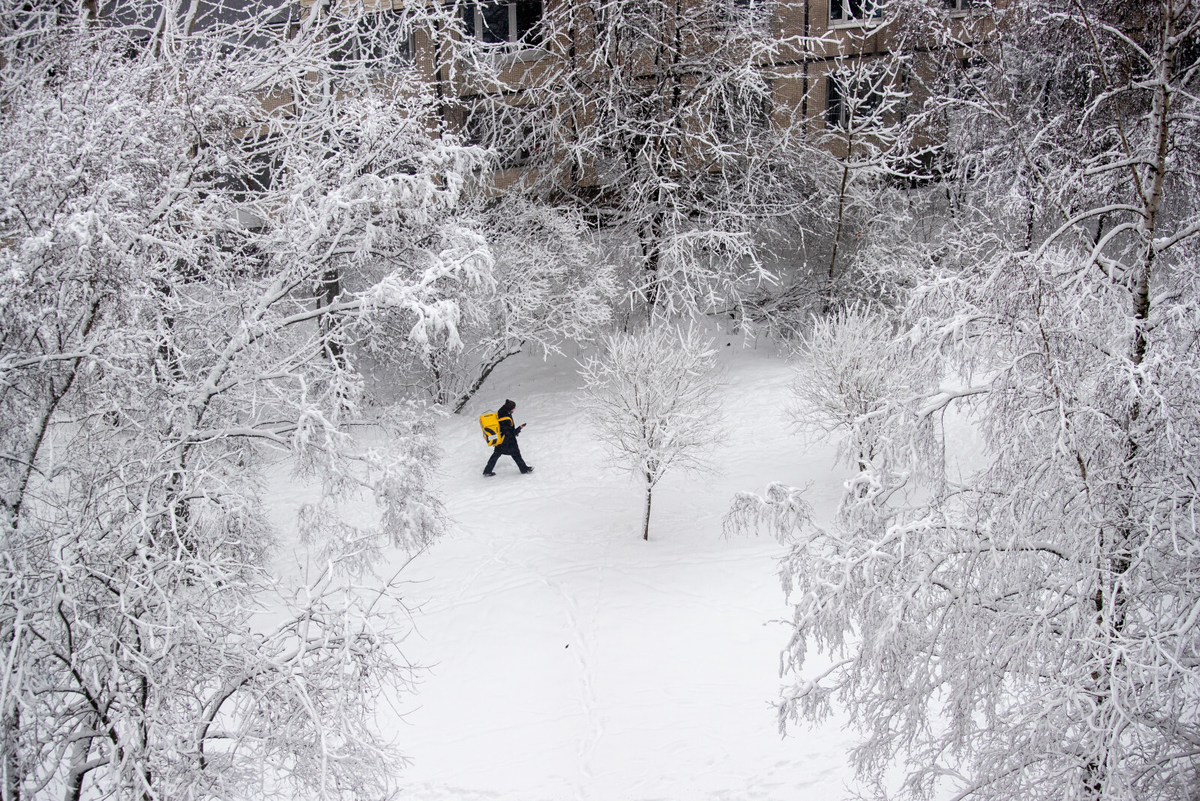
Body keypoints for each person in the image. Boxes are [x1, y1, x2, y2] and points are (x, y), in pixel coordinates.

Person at [483, 399, 533, 476]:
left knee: (496, 455)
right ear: (510, 408)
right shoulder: (505, 418)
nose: (514, 409)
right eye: (514, 408)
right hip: (507, 441)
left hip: (500, 440)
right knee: (516, 454)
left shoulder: (502, 412)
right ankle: (524, 469)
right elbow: (508, 433)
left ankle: (487, 471)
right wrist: (519, 428)